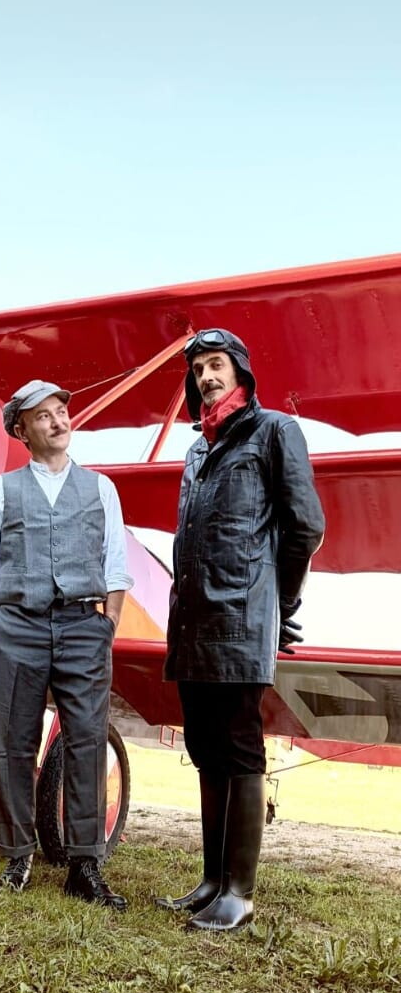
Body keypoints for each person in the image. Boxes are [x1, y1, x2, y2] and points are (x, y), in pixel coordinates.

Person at [157, 328, 325, 931]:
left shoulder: (275, 430)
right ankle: (210, 880)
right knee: (205, 749)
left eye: (217, 364)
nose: (207, 376)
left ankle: (239, 892)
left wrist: (278, 602)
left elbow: (306, 525)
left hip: (242, 616)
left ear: (241, 371)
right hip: (194, 620)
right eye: (198, 368)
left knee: (238, 745)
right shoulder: (197, 451)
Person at [0, 379, 133, 909]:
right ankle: (18, 855)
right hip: (15, 629)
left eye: (62, 411)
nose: (59, 421)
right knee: (12, 745)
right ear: (23, 430)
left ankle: (85, 865)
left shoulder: (101, 488)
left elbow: (116, 568)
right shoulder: (1, 491)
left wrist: (107, 625)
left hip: (85, 626)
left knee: (86, 740)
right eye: (44, 416)